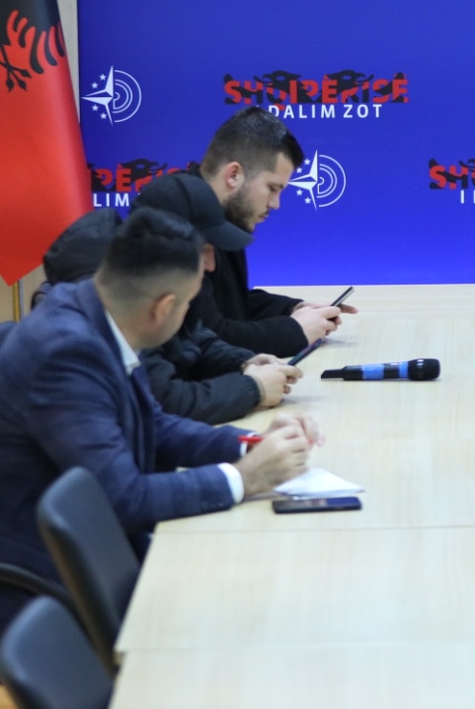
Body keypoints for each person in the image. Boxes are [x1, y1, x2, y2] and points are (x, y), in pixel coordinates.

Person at [0, 209, 318, 630]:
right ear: (163, 308)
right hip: (47, 590)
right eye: (187, 305)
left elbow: (155, 423)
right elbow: (123, 499)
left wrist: (252, 445)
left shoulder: (96, 312)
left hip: (100, 554)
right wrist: (248, 477)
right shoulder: (67, 352)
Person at [38, 197, 300, 424]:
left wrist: (243, 362)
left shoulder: (145, 285)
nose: (211, 265)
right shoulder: (112, 311)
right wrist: (253, 389)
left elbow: (192, 336)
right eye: (205, 250)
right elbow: (163, 403)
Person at [188, 106, 352, 356]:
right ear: (234, 175)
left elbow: (229, 305)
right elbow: (207, 337)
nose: (276, 204)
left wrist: (293, 309)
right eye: (272, 188)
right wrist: (295, 330)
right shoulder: (176, 221)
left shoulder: (220, 211)